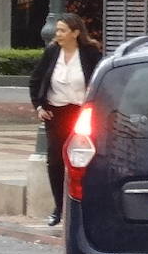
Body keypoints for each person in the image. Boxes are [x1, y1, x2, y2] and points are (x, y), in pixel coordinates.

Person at [28, 12, 102, 227]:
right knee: (56, 160)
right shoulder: (52, 51)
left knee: (85, 159)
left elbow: (99, 81)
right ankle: (59, 208)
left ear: (75, 33)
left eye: (62, 30)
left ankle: (85, 205)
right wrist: (39, 106)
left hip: (82, 113)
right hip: (56, 113)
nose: (57, 34)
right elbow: (36, 79)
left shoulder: (90, 52)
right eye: (57, 30)